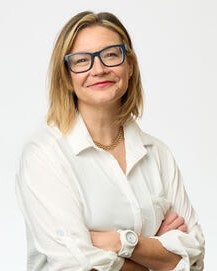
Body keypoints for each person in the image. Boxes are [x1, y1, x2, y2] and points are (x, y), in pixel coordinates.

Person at [16, 11, 205, 271]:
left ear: (129, 66)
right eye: (82, 60)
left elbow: (194, 260)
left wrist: (118, 243)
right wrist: (156, 253)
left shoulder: (158, 154)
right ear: (67, 76)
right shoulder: (45, 154)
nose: (99, 69)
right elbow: (75, 265)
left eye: (111, 55)